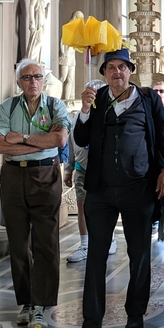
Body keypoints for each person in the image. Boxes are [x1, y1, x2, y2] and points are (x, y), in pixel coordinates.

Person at [71, 48, 164, 328]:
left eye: (122, 67)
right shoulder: (98, 99)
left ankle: (135, 314)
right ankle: (91, 323)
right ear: (104, 73)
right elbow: (81, 139)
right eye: (111, 68)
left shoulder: (147, 98)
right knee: (95, 256)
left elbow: (162, 135)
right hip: (101, 190)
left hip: (138, 187)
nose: (117, 73)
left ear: (131, 71)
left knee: (139, 254)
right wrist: (85, 111)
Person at [0, 59, 71, 328]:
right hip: (13, 178)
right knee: (18, 242)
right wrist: (38, 141)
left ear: (43, 80)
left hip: (45, 177)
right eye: (26, 77)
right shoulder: (7, 107)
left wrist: (20, 138)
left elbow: (59, 141)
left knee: (46, 242)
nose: (32, 81)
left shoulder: (55, 106)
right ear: (18, 82)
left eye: (37, 76)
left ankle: (41, 306)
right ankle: (26, 302)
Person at [65, 79, 117, 263]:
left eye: (97, 92)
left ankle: (109, 239)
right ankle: (85, 244)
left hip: (104, 170)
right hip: (82, 168)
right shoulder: (79, 116)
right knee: (83, 207)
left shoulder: (110, 115)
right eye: (90, 92)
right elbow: (73, 143)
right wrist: (68, 169)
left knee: (106, 207)